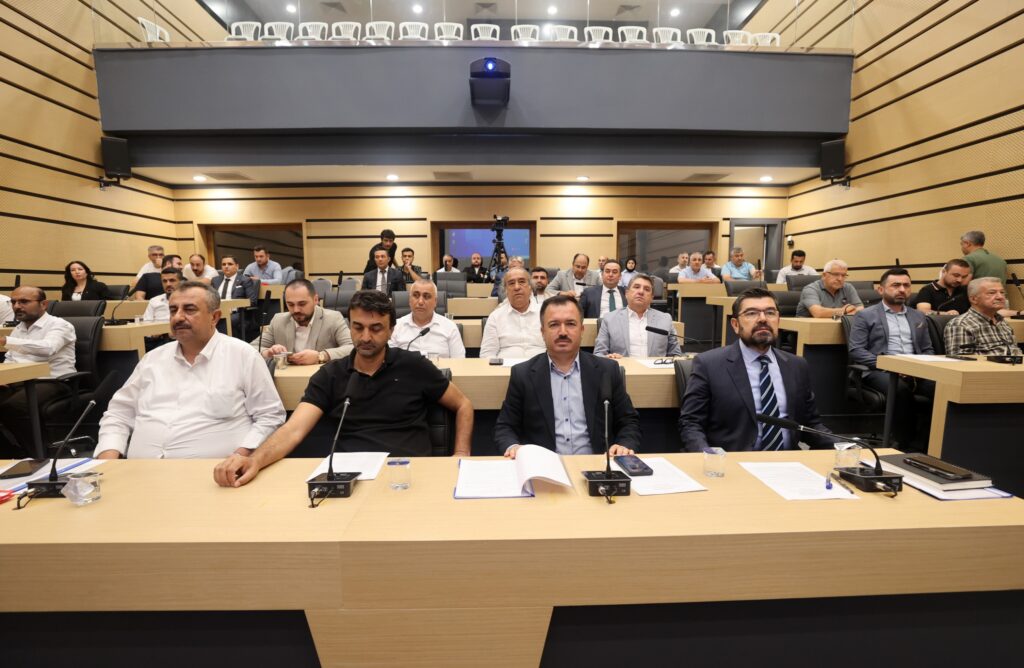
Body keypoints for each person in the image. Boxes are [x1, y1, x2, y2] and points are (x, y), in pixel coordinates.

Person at [213, 290, 474, 486]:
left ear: (391, 331)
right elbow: (293, 430)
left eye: (376, 329)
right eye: (358, 328)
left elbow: (463, 404)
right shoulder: (331, 375)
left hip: (409, 474)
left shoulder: (414, 366)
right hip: (350, 478)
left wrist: (461, 454)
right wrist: (255, 460)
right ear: (350, 327)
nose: (366, 337)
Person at [95, 282, 285, 459]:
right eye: (173, 310)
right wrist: (108, 461)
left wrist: (241, 457)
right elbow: (119, 414)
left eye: (189, 309)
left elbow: (270, 416)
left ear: (214, 317)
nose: (178, 317)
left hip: (216, 474)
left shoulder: (242, 355)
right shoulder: (152, 359)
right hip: (139, 473)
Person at [678, 288, 833, 452]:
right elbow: (691, 423)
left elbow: (810, 424)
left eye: (770, 313)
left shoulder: (797, 365)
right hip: (733, 462)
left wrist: (842, 447)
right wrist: (707, 455)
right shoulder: (709, 364)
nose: (763, 319)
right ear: (735, 325)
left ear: (778, 321)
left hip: (788, 461)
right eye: (751, 313)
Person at [494, 294, 640, 459]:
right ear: (542, 332)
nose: (562, 332)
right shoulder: (523, 374)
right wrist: (513, 447)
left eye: (570, 324)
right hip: (543, 466)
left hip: (597, 464)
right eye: (554, 324)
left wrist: (624, 445)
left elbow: (628, 421)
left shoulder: (607, 370)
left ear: (582, 330)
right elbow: (505, 426)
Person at [847, 268, 935, 450]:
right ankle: (904, 443)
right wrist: (890, 366)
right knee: (900, 389)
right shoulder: (866, 315)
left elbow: (927, 349)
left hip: (915, 371)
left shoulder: (918, 315)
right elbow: (857, 350)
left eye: (906, 285)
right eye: (896, 285)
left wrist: (920, 367)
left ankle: (929, 443)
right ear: (881, 290)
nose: (902, 289)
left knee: (941, 389)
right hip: (879, 370)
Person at [0, 286, 77, 455]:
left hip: (52, 381)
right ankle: (10, 453)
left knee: (14, 406)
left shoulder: (60, 325)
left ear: (43, 304)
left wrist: (7, 341)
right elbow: (11, 358)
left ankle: (38, 455)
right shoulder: (19, 328)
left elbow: (48, 348)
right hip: (19, 382)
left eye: (24, 301)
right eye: (14, 302)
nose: (17, 306)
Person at [253, 279, 353, 364]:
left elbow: (352, 347)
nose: (296, 310)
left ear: (315, 299)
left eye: (302, 304)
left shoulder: (333, 318)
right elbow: (253, 347)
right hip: (287, 377)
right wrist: (268, 352)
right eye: (290, 304)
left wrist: (320, 356)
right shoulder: (278, 320)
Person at [594, 274, 681, 358]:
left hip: (655, 368)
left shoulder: (665, 319)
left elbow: (676, 355)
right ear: (626, 293)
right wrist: (609, 357)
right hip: (622, 368)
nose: (641, 292)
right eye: (636, 287)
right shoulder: (610, 319)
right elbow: (599, 354)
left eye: (647, 289)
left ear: (651, 297)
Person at [389, 279, 465, 358]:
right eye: (416, 296)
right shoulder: (396, 326)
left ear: (435, 301)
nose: (420, 302)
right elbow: (389, 360)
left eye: (426, 297)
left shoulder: (450, 327)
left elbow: (459, 361)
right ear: (409, 300)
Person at [945, 278, 1021, 357]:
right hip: (987, 365)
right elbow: (960, 360)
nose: (1000, 297)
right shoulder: (961, 324)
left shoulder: (1002, 322)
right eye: (992, 293)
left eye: (1002, 292)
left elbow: (1015, 351)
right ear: (974, 299)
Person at [480, 268, 545, 359]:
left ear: (530, 287)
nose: (517, 287)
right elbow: (487, 354)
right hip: (506, 367)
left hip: (541, 366)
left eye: (522, 282)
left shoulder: (545, 313)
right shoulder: (495, 317)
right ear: (505, 290)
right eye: (511, 283)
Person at [796, 259, 864, 318]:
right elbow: (818, 313)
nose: (840, 279)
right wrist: (844, 310)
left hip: (836, 325)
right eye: (836, 274)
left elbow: (860, 309)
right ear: (824, 275)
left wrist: (841, 314)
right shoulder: (810, 289)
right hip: (808, 327)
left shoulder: (848, 287)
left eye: (843, 275)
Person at [210, 255, 258, 338]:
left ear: (237, 266)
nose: (226, 266)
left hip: (236, 313)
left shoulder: (245, 280)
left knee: (225, 321)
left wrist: (236, 305)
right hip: (217, 311)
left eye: (230, 264)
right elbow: (210, 298)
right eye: (224, 264)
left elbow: (252, 301)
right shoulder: (215, 280)